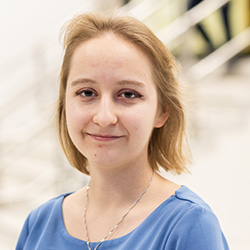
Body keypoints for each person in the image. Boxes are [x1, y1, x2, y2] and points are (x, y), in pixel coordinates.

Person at [16, 12, 229, 250]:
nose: (104, 117)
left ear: (162, 111)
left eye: (128, 94)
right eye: (87, 92)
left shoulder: (189, 225)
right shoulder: (39, 224)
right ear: (65, 103)